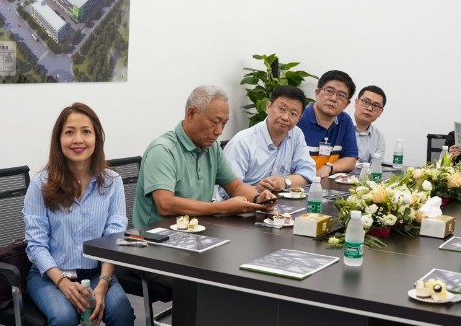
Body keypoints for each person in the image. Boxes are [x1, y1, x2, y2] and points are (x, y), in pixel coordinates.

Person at [24, 103, 134, 326]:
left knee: (122, 314)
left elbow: (115, 237)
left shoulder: (112, 182)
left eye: (86, 131)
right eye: (69, 132)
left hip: (98, 272)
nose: (78, 139)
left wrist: (104, 283)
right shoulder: (40, 184)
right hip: (50, 275)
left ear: (96, 137)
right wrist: (62, 283)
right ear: (58, 139)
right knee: (62, 319)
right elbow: (35, 245)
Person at [133, 85, 277, 229]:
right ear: (191, 114)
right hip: (157, 236)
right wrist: (221, 207)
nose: (219, 131)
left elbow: (235, 186)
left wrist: (258, 198)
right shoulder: (163, 150)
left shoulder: (212, 147)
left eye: (224, 123)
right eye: (215, 122)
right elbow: (165, 205)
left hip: (197, 231)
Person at [222, 85, 315, 195]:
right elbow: (227, 191)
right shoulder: (242, 142)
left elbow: (308, 172)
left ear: (299, 118)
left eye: (293, 114)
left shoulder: (296, 134)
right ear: (268, 107)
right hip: (243, 203)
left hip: (277, 203)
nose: (285, 117)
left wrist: (285, 181)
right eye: (282, 109)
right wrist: (256, 191)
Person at [296, 70, 358, 178]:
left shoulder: (345, 121)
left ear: (347, 104)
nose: (333, 98)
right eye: (329, 91)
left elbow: (351, 159)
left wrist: (329, 167)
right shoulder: (298, 118)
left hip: (327, 184)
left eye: (341, 95)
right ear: (317, 93)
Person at [353, 85, 387, 163]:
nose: (369, 108)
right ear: (356, 102)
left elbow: (375, 167)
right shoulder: (338, 125)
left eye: (376, 106)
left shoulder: (379, 138)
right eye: (366, 102)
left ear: (380, 112)